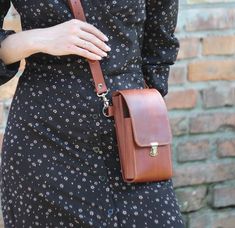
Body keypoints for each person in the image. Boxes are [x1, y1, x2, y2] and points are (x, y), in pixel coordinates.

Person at [0, 0, 185, 227]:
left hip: (128, 138)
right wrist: (38, 38)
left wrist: (145, 120)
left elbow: (159, 47)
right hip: (44, 144)